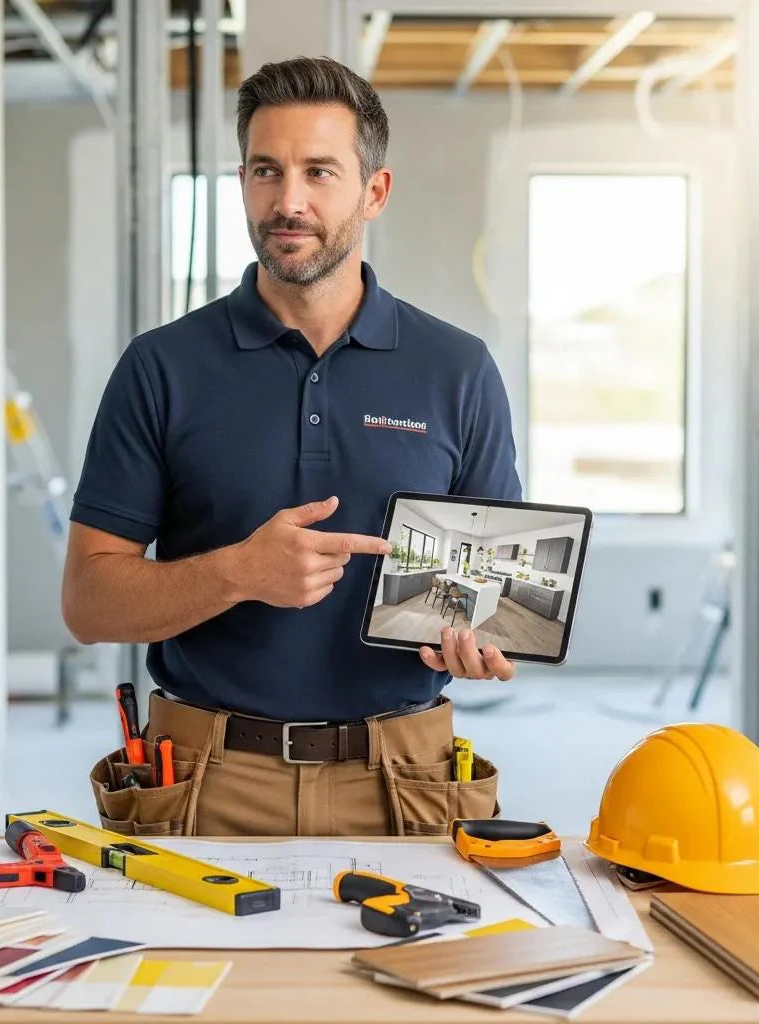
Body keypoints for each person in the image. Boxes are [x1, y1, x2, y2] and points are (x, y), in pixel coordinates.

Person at [63, 56, 521, 838]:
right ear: (242, 181)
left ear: (374, 192)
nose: (290, 201)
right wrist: (239, 571)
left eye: (320, 172)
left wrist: (477, 645)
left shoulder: (458, 370)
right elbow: (89, 603)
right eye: (267, 171)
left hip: (406, 779)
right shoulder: (162, 366)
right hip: (204, 778)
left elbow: (499, 605)